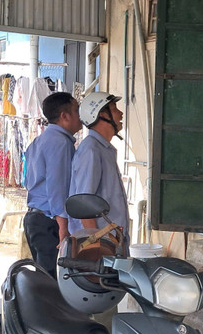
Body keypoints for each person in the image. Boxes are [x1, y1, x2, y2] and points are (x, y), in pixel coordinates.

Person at [23, 92, 82, 275]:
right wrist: (63, 229)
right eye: (77, 110)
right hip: (50, 223)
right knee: (53, 283)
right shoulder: (60, 142)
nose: (81, 115)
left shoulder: (40, 140)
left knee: (44, 281)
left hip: (35, 218)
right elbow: (58, 188)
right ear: (65, 116)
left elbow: (28, 180)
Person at [70, 91, 128, 243]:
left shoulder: (103, 149)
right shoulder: (91, 150)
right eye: (115, 109)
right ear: (102, 114)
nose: (121, 114)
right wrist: (95, 244)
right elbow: (84, 206)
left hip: (111, 241)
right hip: (100, 244)